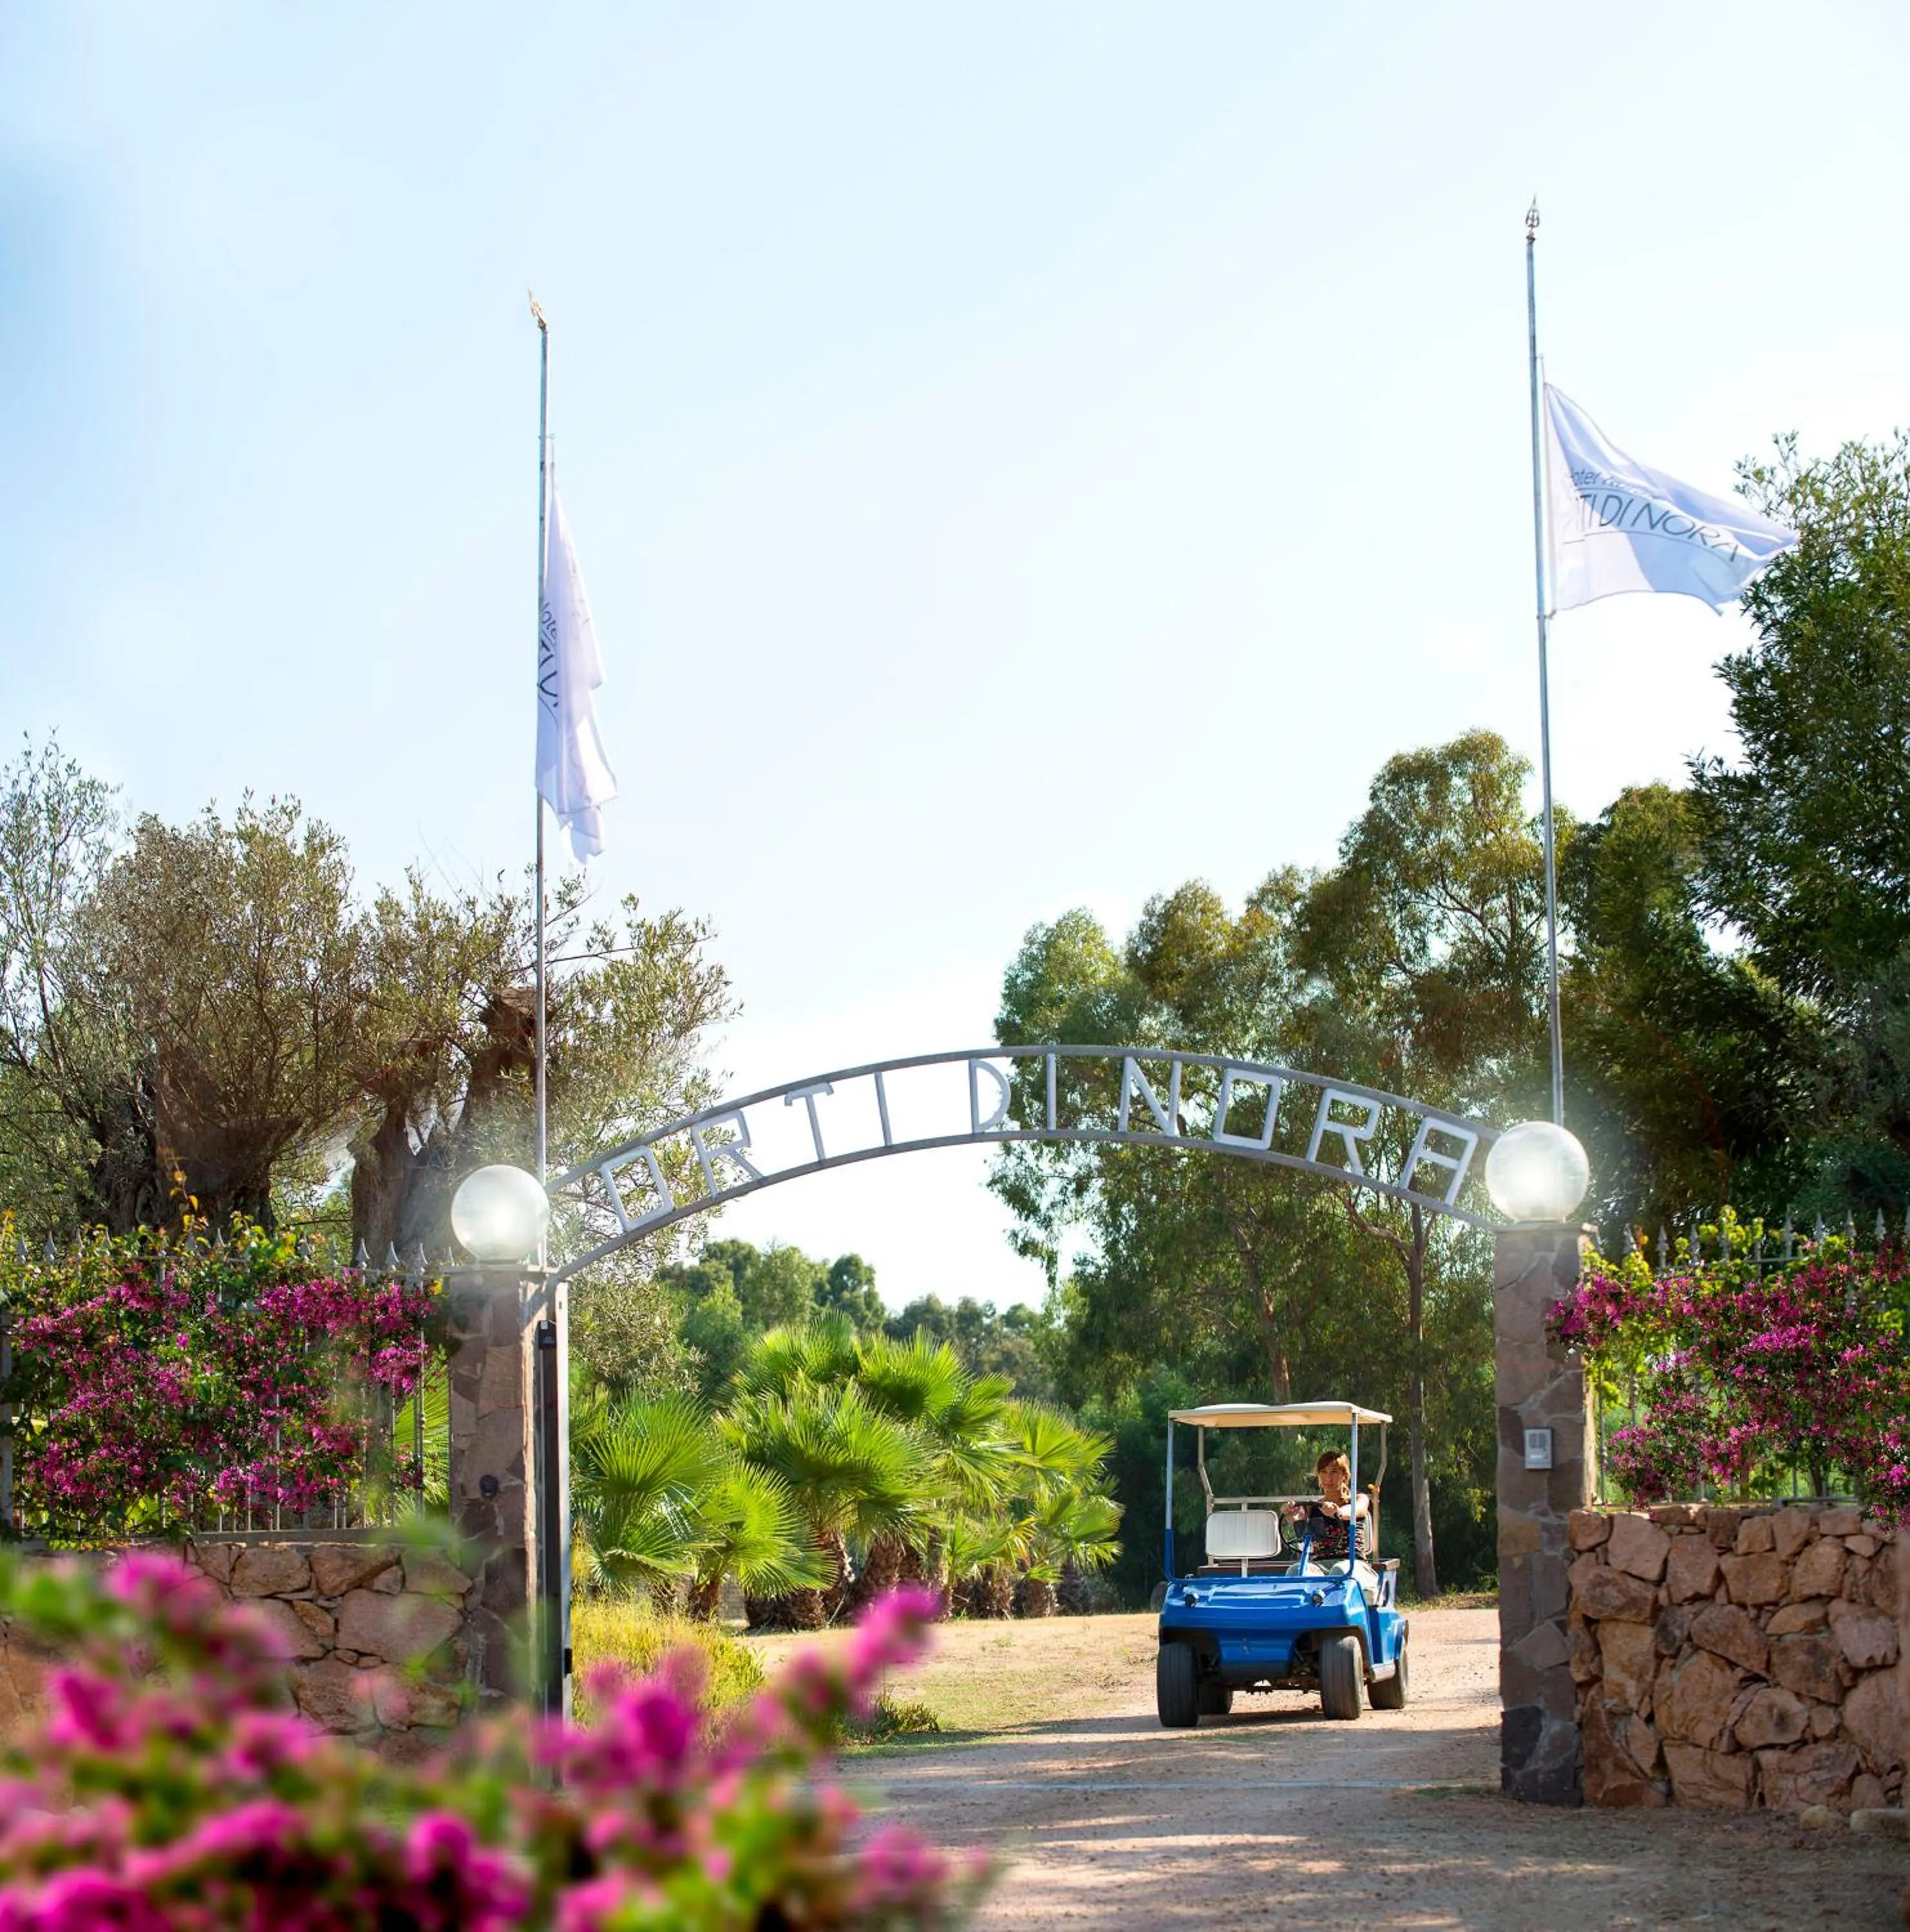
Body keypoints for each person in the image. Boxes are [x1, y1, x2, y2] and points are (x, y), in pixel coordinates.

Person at [1285, 1451, 1371, 1562]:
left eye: (1334, 1472)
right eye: (1323, 1472)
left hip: (1353, 1564)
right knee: (1294, 1572)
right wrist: (1290, 1512)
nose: (1328, 1478)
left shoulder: (1359, 1499)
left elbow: (1355, 1510)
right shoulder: (1312, 1507)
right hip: (1320, 1564)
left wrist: (1338, 1512)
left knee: (1339, 1571)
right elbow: (1297, 1516)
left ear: (1345, 1475)